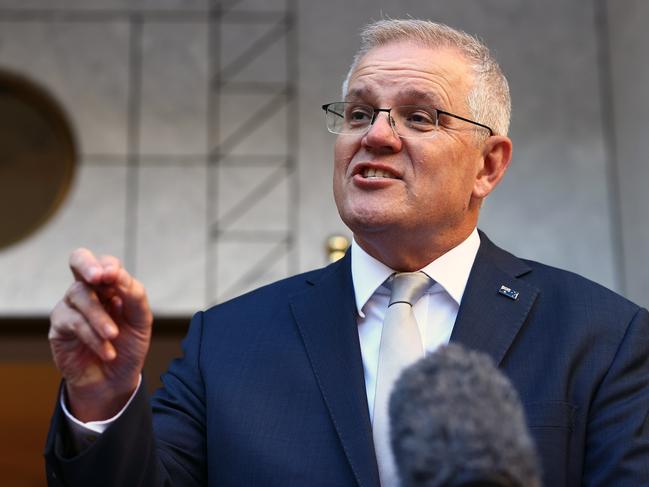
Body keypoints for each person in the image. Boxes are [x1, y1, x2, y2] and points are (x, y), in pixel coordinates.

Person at [44, 19, 649, 487]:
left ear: (488, 166)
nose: (376, 134)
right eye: (359, 113)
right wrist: (102, 397)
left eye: (419, 116)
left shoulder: (602, 336)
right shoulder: (226, 342)